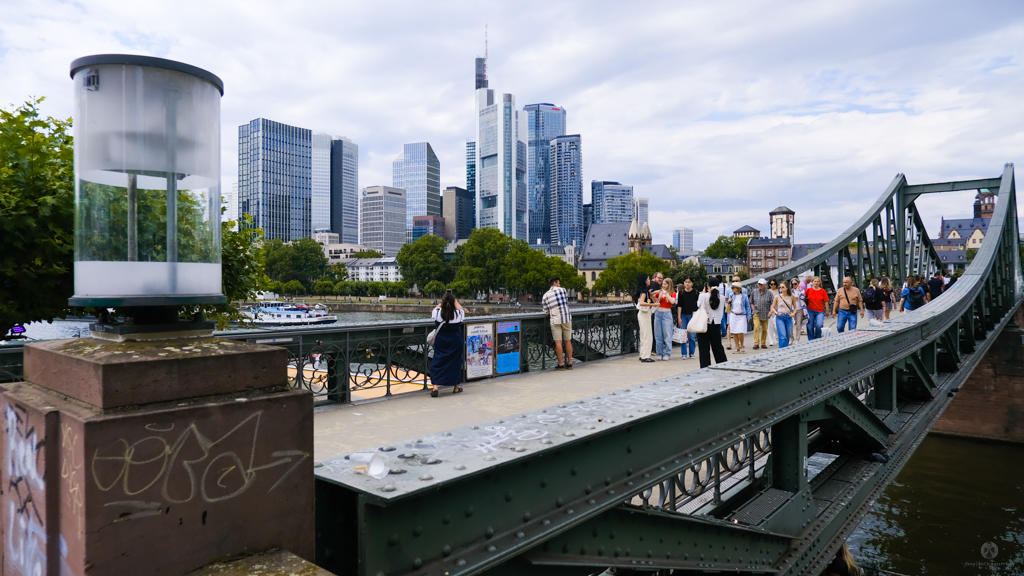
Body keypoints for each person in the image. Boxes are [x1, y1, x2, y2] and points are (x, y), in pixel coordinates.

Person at [429, 292, 466, 396]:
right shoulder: (458, 313)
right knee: (455, 362)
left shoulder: (437, 312)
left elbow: (434, 310)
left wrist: (441, 303)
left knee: (438, 361)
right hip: (455, 340)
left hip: (441, 340)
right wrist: (455, 301)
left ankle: (435, 386)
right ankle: (455, 387)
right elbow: (461, 309)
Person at [541, 276, 574, 370]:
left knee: (558, 342)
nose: (560, 285)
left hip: (556, 319)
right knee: (568, 341)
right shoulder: (563, 290)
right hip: (567, 317)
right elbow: (565, 302)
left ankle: (561, 364)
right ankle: (570, 363)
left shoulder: (546, 295)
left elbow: (546, 310)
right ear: (555, 283)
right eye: (558, 283)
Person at [696, 278, 728, 367]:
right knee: (718, 347)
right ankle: (723, 365)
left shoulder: (703, 296)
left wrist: (703, 292)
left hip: (704, 324)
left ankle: (705, 367)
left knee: (704, 349)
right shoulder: (721, 298)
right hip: (716, 324)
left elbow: (699, 306)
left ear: (708, 286)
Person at [634, 274, 657, 363]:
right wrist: (653, 304)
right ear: (645, 281)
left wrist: (650, 295)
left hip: (642, 314)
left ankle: (643, 354)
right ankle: (646, 356)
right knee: (647, 335)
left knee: (644, 334)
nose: (649, 281)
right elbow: (642, 303)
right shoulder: (644, 291)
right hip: (645, 313)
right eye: (648, 279)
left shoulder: (643, 291)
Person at [653, 278, 677, 360]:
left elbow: (672, 301)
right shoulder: (660, 292)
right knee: (658, 335)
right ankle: (659, 353)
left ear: (669, 285)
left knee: (667, 334)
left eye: (665, 284)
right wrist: (653, 293)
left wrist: (666, 293)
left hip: (667, 314)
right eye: (663, 284)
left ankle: (667, 353)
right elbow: (655, 299)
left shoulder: (672, 293)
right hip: (658, 313)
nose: (663, 285)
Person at [676, 277, 699, 359]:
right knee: (683, 335)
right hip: (683, 315)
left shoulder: (695, 293)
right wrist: (679, 317)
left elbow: (698, 305)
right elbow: (679, 305)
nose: (687, 284)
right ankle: (684, 353)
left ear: (692, 283)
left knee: (692, 336)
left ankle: (692, 352)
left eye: (689, 282)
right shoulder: (681, 293)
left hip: (692, 315)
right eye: (685, 282)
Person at [750, 279, 774, 349]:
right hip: (757, 312)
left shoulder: (769, 293)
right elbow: (751, 302)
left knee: (764, 329)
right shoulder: (754, 292)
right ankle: (756, 343)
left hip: (765, 313)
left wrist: (771, 311)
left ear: (765, 285)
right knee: (756, 327)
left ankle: (763, 343)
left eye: (761, 284)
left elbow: (773, 303)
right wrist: (753, 309)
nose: (760, 285)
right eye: (759, 284)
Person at [773, 281, 798, 348]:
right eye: (780, 287)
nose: (781, 288)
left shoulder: (791, 297)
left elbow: (795, 307)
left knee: (787, 335)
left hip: (788, 316)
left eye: (782, 287)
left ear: (787, 288)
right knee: (782, 335)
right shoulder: (777, 297)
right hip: (780, 316)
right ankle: (782, 350)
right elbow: (772, 307)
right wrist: (776, 313)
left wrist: (793, 314)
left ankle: (785, 349)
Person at [728, 282, 751, 353]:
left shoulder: (744, 296)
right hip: (733, 314)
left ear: (738, 288)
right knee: (734, 331)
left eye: (733, 288)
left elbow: (747, 306)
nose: (732, 289)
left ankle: (742, 345)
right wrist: (729, 302)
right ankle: (737, 346)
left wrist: (749, 316)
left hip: (741, 315)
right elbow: (728, 306)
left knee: (740, 331)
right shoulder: (731, 295)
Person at [726, 275, 741, 348]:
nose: (734, 282)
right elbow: (726, 299)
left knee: (739, 327)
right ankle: (729, 343)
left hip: (740, 311)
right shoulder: (729, 290)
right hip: (732, 310)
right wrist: (729, 301)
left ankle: (738, 343)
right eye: (733, 281)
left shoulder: (743, 290)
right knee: (729, 326)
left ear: (739, 282)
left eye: (736, 281)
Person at [790, 278, 807, 343]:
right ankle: (791, 338)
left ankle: (797, 339)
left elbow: (803, 297)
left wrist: (798, 292)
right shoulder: (790, 291)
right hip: (792, 309)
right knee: (790, 325)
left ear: (798, 283)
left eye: (795, 283)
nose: (794, 285)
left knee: (798, 325)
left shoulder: (802, 290)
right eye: (792, 284)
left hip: (799, 309)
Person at [766, 279, 780, 347]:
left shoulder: (779, 291)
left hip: (777, 310)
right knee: (770, 327)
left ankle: (777, 338)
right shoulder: (767, 292)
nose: (773, 285)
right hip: (769, 311)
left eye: (774, 284)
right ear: (769, 285)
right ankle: (771, 341)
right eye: (771, 284)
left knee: (776, 327)